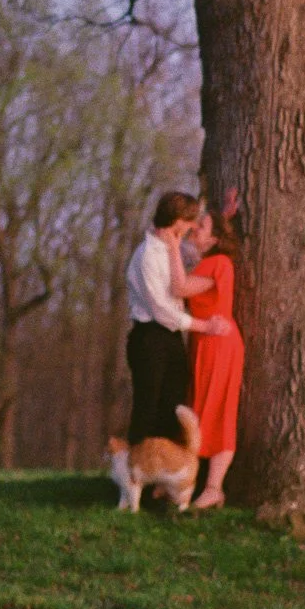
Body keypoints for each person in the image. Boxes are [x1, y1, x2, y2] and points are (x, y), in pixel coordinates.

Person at [125, 192, 230, 449]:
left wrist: (224, 220)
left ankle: (165, 469)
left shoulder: (173, 248)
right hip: (149, 336)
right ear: (177, 221)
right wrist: (204, 326)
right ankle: (136, 468)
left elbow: (199, 249)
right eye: (190, 221)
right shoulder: (147, 256)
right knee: (147, 408)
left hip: (170, 338)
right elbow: (161, 310)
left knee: (173, 407)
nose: (193, 226)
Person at [174, 202, 243, 508]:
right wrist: (222, 216)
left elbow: (181, 288)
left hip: (220, 345)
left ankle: (214, 487)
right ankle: (185, 480)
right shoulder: (206, 260)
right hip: (203, 343)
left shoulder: (219, 263)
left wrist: (172, 241)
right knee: (198, 408)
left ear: (214, 239)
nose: (194, 229)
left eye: (200, 227)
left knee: (218, 410)